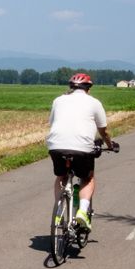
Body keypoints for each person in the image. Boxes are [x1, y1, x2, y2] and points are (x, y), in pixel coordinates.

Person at [46, 72, 118, 230]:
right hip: (82, 148)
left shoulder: (58, 100)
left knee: (61, 177)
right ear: (89, 89)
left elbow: (52, 123)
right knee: (87, 179)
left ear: (71, 87)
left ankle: (59, 208)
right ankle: (83, 212)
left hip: (56, 145)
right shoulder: (94, 103)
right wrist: (110, 145)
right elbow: (103, 131)